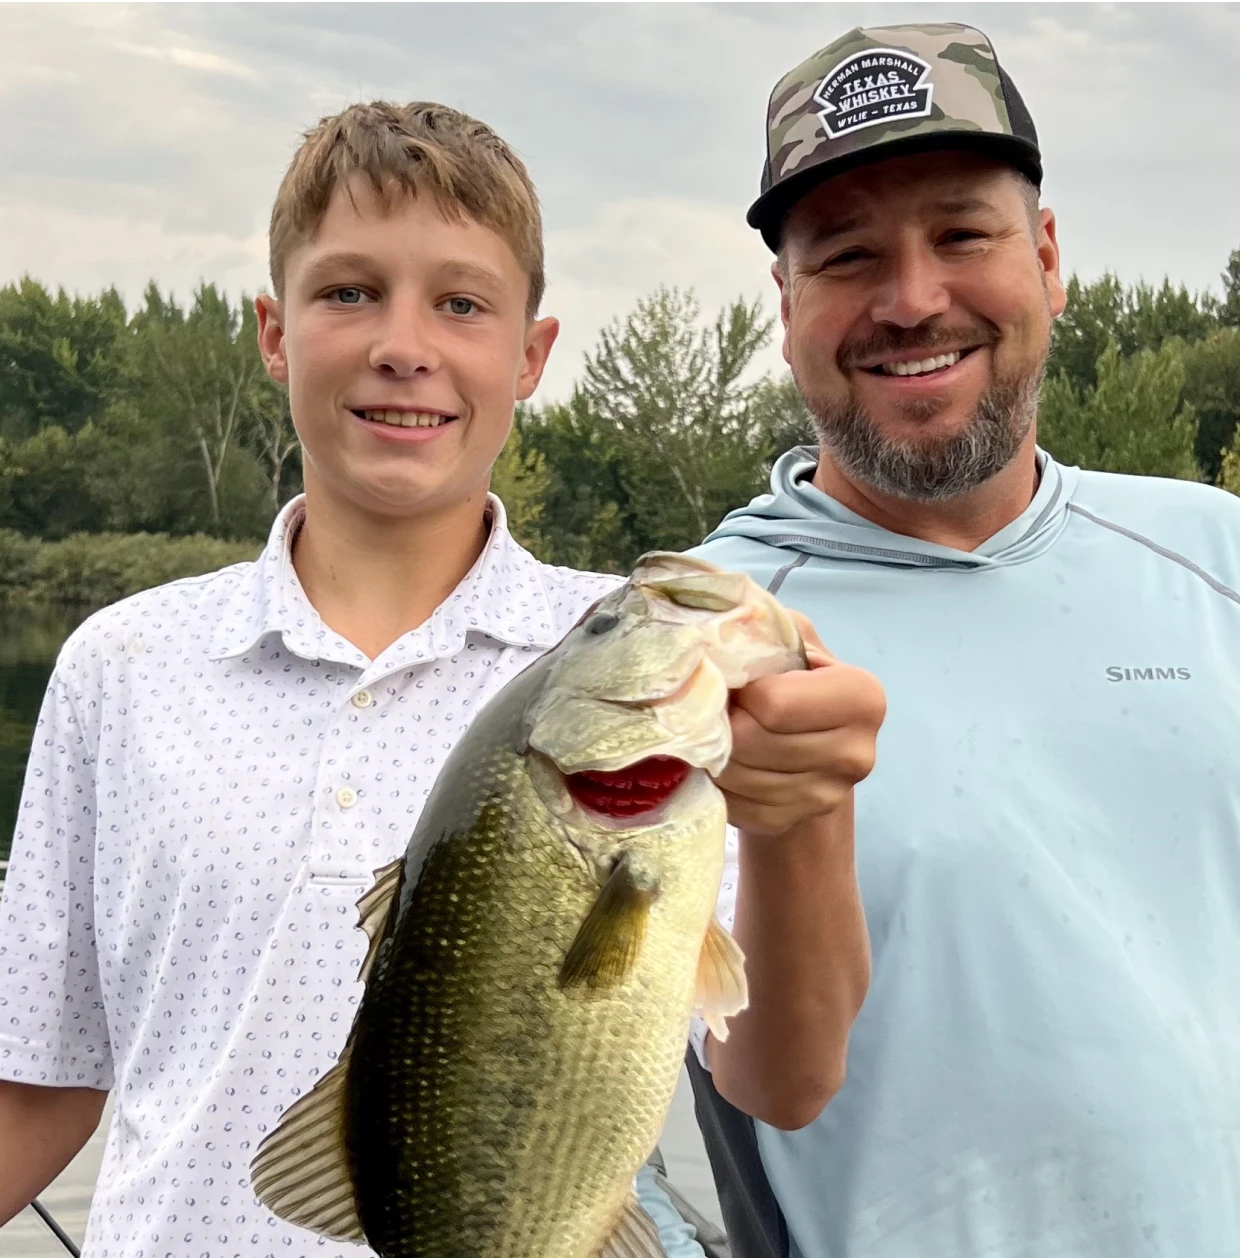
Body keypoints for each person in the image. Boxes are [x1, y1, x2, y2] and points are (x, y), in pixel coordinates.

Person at [0, 100, 883, 1257]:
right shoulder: (120, 666)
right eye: (347, 291)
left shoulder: (629, 663)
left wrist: (800, 818)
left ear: (529, 355)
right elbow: (44, 1076)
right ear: (274, 331)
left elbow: (784, 1078)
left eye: (461, 303)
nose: (401, 344)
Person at [686, 20, 1240, 1258]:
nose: (911, 299)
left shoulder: (1215, 555)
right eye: (846, 256)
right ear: (786, 308)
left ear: (1046, 257)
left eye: (960, 233)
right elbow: (762, 1077)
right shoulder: (694, 634)